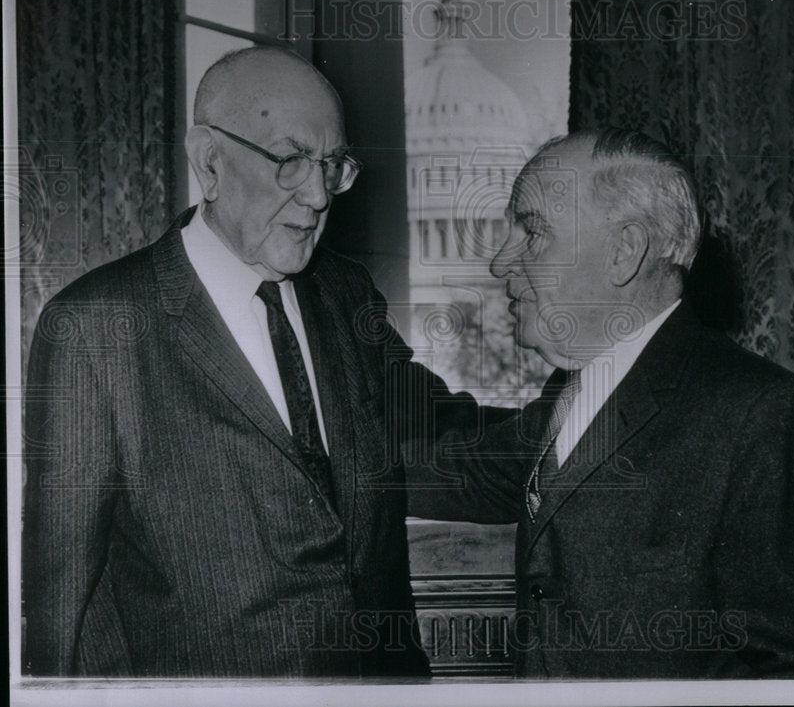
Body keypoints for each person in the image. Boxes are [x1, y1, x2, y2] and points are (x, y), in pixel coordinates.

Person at [22, 46, 491, 678]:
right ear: (210, 162)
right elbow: (62, 600)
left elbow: (448, 436)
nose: (320, 195)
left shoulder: (346, 293)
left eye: (333, 166)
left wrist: (597, 406)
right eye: (292, 161)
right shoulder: (95, 328)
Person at [406, 127, 794, 678]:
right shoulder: (575, 390)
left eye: (531, 233)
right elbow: (467, 467)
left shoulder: (766, 415)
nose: (500, 264)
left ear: (624, 252)